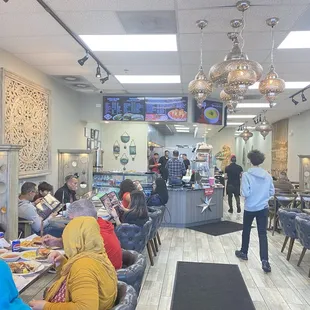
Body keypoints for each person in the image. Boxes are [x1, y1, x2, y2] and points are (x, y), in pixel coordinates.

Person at [29, 217, 117, 310]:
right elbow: (76, 281)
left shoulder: (83, 267)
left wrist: (45, 306)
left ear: (75, 239)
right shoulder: (98, 255)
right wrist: (62, 262)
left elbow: (85, 308)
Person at [42, 199, 122, 270]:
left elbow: (79, 265)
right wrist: (57, 242)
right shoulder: (100, 224)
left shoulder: (97, 235)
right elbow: (79, 244)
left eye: (73, 220)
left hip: (102, 277)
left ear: (84, 219)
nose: (70, 224)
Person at [235, 150, 275, 273]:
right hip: (263, 208)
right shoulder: (267, 175)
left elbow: (245, 192)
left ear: (250, 160)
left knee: (246, 230)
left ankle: (244, 252)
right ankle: (265, 261)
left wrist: (247, 195)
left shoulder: (246, 175)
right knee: (262, 234)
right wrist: (263, 197)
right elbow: (271, 192)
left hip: (250, 208)